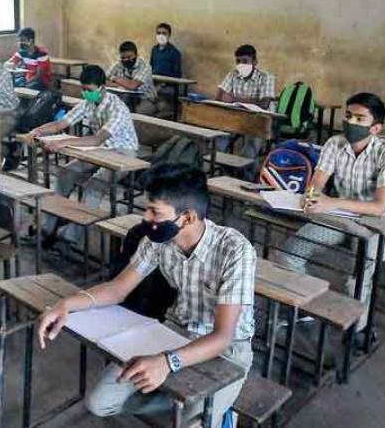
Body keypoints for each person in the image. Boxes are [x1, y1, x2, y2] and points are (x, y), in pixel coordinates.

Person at [36, 163, 255, 428]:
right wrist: (66, 304)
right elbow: (118, 288)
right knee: (99, 402)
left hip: (227, 349)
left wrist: (167, 363)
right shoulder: (158, 240)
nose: (146, 218)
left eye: (155, 211)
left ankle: (208, 409)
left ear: (187, 218)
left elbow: (223, 337)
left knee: (192, 423)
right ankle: (185, 402)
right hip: (174, 331)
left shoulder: (234, 250)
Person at [277, 93, 385, 335]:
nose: (351, 122)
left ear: (375, 128)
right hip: (339, 217)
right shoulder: (335, 143)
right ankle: (306, 305)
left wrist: (332, 202)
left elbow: (379, 206)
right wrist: (311, 195)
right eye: (348, 116)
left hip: (377, 222)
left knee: (357, 279)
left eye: (360, 118)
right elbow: (317, 181)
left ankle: (360, 330)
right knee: (289, 254)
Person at [28, 65, 139, 246]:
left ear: (102, 87)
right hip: (100, 150)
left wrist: (63, 142)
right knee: (65, 173)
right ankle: (48, 225)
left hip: (124, 154)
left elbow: (96, 139)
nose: (85, 93)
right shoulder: (88, 103)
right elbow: (61, 124)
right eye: (83, 89)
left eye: (89, 90)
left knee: (95, 186)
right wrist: (38, 130)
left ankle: (71, 235)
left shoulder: (117, 107)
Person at [215, 44, 278, 174]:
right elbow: (219, 96)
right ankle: (223, 174)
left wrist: (235, 99)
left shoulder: (266, 77)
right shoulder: (233, 74)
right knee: (219, 141)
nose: (241, 65)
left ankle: (245, 179)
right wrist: (224, 97)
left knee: (249, 152)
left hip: (259, 121)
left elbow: (264, 103)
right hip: (237, 118)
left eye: (245, 61)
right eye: (238, 61)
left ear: (254, 62)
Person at [107, 41, 162, 116]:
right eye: (123, 58)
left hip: (145, 98)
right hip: (124, 96)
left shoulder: (145, 66)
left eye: (129, 57)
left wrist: (114, 78)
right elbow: (103, 79)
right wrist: (117, 85)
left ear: (136, 55)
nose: (126, 60)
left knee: (137, 112)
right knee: (112, 106)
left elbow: (133, 85)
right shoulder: (119, 63)